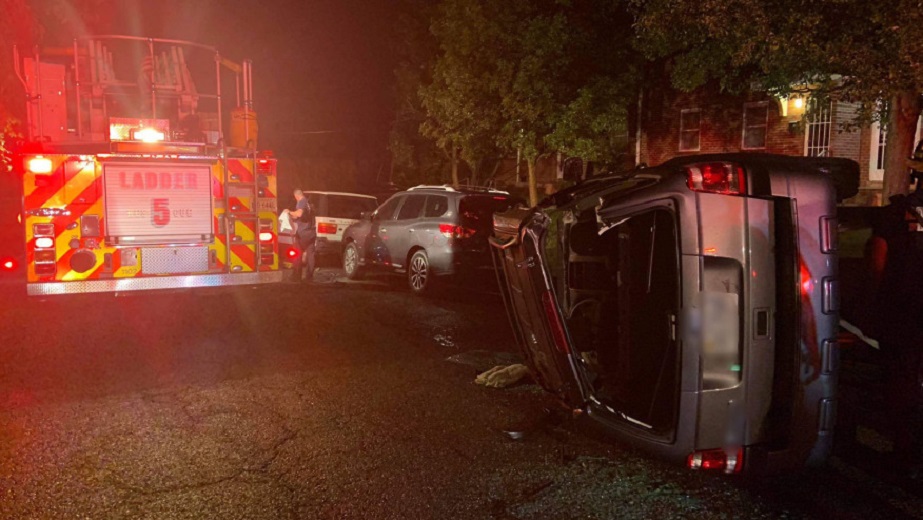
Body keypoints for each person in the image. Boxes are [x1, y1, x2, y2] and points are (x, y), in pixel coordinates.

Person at [288, 189, 316, 283]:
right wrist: (292, 216)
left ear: (296, 196)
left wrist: (289, 212)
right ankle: (309, 277)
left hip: (303, 233)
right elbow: (300, 216)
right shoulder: (309, 203)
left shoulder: (301, 201)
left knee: (297, 253)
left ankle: (297, 276)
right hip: (311, 232)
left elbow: (299, 213)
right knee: (310, 255)